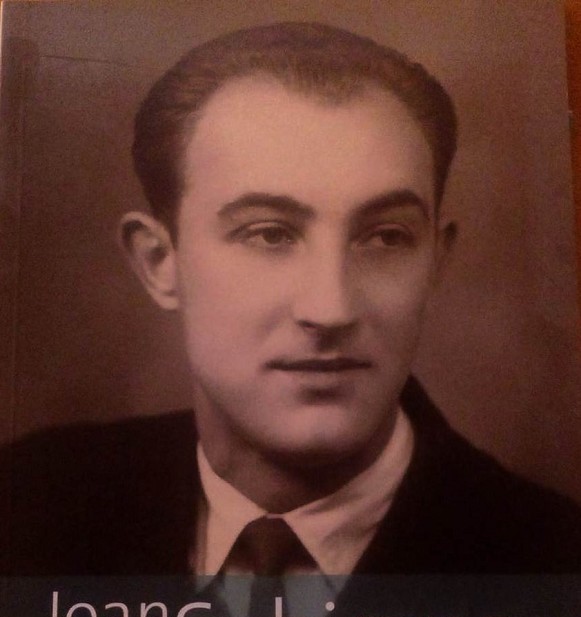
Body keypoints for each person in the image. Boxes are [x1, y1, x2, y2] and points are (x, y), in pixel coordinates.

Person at [1, 21, 580, 577]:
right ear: (159, 262)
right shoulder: (28, 503)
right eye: (269, 234)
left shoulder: (555, 558)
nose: (330, 309)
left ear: (435, 261)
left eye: (385, 237)